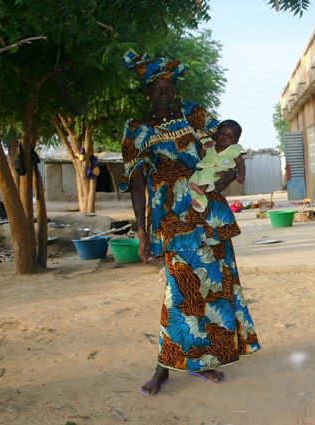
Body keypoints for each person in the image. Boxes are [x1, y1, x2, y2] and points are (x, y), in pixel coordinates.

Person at [119, 51, 260, 395]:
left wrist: (226, 179)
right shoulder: (136, 130)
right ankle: (164, 366)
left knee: (213, 288)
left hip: (207, 213)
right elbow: (136, 183)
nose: (165, 94)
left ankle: (206, 360)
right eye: (158, 89)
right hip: (170, 217)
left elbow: (230, 144)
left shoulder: (195, 114)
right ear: (148, 93)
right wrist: (141, 231)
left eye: (169, 88)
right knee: (178, 292)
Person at [190, 119, 245, 212]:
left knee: (207, 172)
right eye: (221, 134)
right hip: (204, 170)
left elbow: (240, 163)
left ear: (236, 140)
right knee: (193, 179)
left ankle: (202, 190)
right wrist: (204, 147)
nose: (224, 137)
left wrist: (241, 175)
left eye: (230, 136)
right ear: (216, 134)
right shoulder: (210, 143)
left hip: (218, 173)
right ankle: (200, 201)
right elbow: (200, 157)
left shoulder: (234, 150)